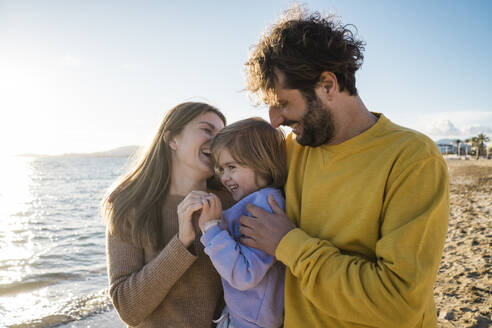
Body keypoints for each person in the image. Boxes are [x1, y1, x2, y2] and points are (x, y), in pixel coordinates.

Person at [239, 7, 449, 328]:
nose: (276, 120)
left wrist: (289, 245)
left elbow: (398, 303)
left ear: (327, 85)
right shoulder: (293, 150)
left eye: (283, 103)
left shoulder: (412, 158)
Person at [102, 102, 234, 327]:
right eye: (207, 130)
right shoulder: (129, 206)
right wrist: (182, 242)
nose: (217, 141)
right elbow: (128, 308)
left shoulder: (232, 202)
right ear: (172, 138)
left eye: (221, 135)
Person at [197, 118, 287, 328]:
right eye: (220, 170)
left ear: (263, 165)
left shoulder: (264, 207)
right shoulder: (255, 201)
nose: (225, 178)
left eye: (232, 167)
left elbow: (245, 274)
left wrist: (211, 229)